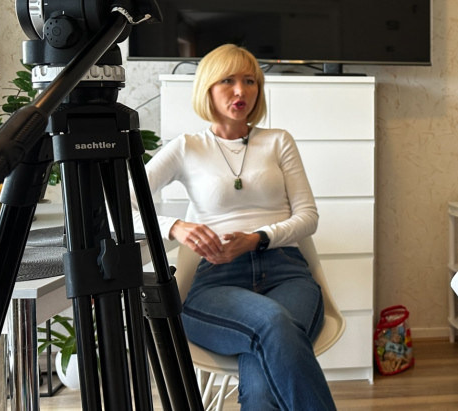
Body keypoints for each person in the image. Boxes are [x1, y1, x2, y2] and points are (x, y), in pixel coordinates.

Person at [138, 44, 337, 410]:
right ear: (207, 88)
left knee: (261, 379)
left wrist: (258, 239)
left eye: (250, 81)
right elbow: (118, 205)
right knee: (273, 322)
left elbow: (308, 216)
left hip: (287, 273)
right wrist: (176, 227)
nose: (240, 91)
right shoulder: (187, 147)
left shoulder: (278, 141)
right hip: (217, 282)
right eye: (227, 80)